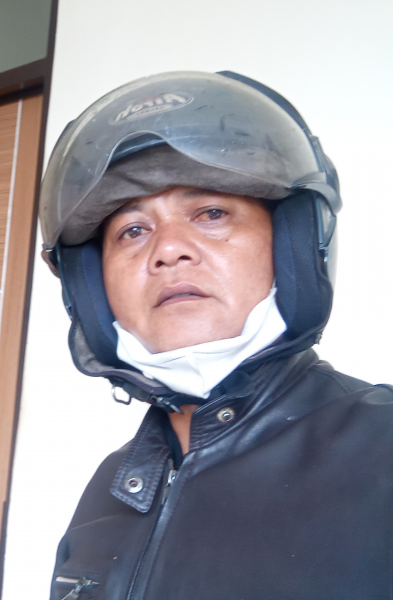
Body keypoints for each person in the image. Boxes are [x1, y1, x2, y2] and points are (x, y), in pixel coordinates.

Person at [40, 72, 393, 599]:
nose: (168, 249)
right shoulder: (106, 490)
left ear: (292, 246)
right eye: (133, 231)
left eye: (211, 213)